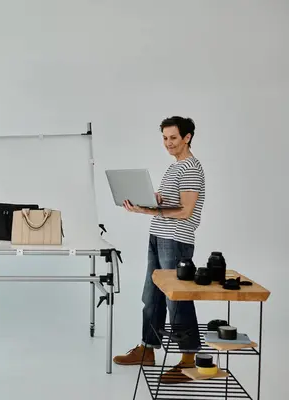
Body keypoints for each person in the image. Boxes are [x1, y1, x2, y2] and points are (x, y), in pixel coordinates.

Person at [113, 116, 205, 384]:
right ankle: (148, 349)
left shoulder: (190, 168)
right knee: (151, 295)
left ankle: (188, 359)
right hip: (159, 235)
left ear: (187, 137)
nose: (168, 143)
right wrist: (151, 201)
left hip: (175, 240)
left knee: (177, 298)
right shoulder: (174, 167)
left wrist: (146, 209)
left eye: (173, 138)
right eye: (165, 138)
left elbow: (186, 212)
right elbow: (172, 205)